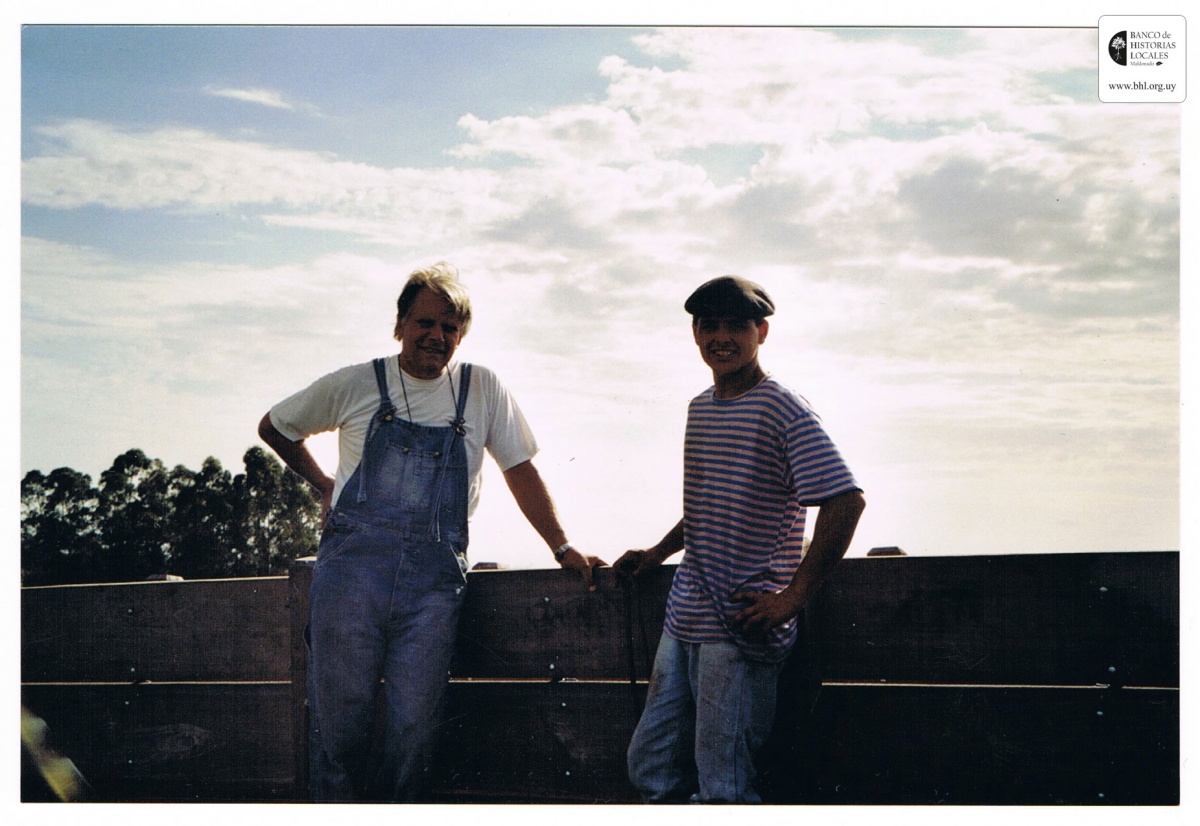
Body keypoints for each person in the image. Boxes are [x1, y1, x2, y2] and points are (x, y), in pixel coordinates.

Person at [258, 262, 605, 802]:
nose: (436, 336)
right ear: (399, 325)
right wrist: (324, 484)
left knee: (415, 726)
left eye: (449, 327)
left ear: (461, 335)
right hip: (351, 580)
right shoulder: (357, 383)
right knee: (339, 725)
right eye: (424, 322)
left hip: (432, 589)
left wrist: (561, 546)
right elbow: (275, 426)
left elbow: (520, 469)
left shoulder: (481, 387)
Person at [614, 275, 865, 804]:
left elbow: (846, 501)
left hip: (740, 628)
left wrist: (792, 598)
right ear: (695, 334)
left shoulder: (782, 408)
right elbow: (708, 505)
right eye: (709, 326)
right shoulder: (700, 408)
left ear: (762, 332)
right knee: (650, 766)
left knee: (723, 784)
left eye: (736, 326)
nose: (721, 338)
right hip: (684, 616)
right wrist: (657, 553)